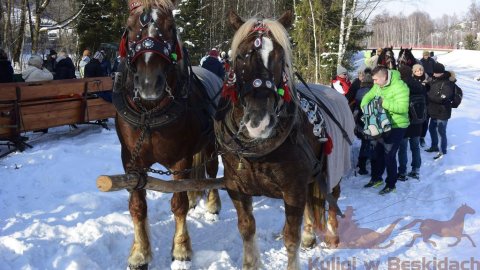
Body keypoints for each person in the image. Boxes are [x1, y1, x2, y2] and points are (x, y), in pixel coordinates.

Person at [361, 66, 410, 195]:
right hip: (381, 123)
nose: (374, 82)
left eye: (376, 80)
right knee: (377, 152)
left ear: (384, 77)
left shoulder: (400, 87)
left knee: (389, 155)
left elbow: (403, 108)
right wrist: (364, 107)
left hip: (397, 125)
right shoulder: (378, 85)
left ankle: (391, 184)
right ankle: (376, 178)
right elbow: (368, 96)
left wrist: (384, 102)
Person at [397, 66, 426, 180]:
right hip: (417, 120)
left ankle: (403, 172)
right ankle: (415, 170)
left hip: (404, 120)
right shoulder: (419, 84)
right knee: (415, 147)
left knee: (402, 148)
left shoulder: (400, 86)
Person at [425, 62, 455, 159]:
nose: (433, 74)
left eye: (435, 72)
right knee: (432, 129)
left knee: (441, 132)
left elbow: (442, 98)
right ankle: (434, 146)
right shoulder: (434, 79)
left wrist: (428, 96)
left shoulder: (447, 83)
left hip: (443, 112)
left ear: (440, 72)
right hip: (433, 111)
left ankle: (443, 151)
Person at [353, 68, 375, 175]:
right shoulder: (373, 91)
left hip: (360, 119)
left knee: (364, 142)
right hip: (370, 119)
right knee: (369, 142)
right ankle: (364, 164)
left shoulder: (359, 91)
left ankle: (361, 163)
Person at [412, 64, 431, 147]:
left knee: (425, 121)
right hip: (414, 105)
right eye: (416, 71)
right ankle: (415, 136)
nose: (419, 72)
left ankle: (422, 137)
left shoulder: (428, 80)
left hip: (426, 104)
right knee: (415, 121)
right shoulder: (411, 80)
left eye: (420, 70)